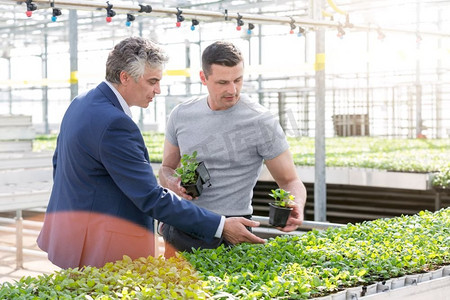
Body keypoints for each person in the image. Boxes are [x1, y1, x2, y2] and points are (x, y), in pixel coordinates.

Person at [37, 37, 265, 269]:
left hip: (72, 237)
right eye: (152, 81)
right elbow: (150, 197)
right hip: (103, 246)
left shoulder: (81, 103)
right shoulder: (115, 123)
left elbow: (61, 165)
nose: (157, 90)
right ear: (125, 77)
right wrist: (220, 226)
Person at [158, 41, 307, 257]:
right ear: (203, 78)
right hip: (184, 223)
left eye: (238, 80)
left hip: (233, 231)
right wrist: (172, 182)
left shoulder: (261, 121)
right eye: (222, 82)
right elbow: (166, 168)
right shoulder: (181, 114)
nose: (232, 90)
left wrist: (296, 203)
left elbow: (290, 180)